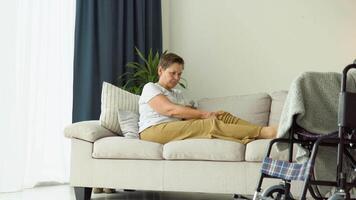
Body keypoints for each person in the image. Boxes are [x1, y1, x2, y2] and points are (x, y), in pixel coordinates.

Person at [138, 53, 277, 144]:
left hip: (173, 127)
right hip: (153, 131)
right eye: (172, 73)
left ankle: (260, 130)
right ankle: (264, 133)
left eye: (179, 74)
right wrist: (205, 115)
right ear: (160, 70)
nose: (176, 78)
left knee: (221, 115)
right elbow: (170, 110)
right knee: (208, 124)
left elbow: (186, 115)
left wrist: (213, 115)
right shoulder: (150, 87)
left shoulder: (177, 93)